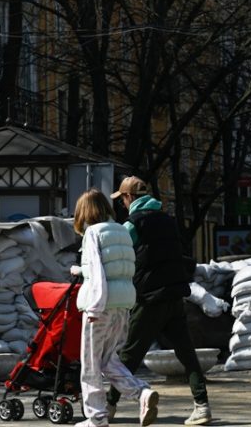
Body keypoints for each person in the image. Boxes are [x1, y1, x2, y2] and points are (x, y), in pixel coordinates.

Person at [107, 176, 212, 426]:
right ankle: (202, 406)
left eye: (122, 199)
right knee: (187, 353)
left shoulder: (132, 224)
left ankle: (108, 406)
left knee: (129, 354)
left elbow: (119, 256)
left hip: (150, 298)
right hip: (175, 295)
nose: (122, 204)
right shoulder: (168, 220)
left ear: (129, 197)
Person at [71, 188, 159, 427]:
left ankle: (96, 417)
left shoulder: (92, 233)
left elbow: (97, 271)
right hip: (123, 305)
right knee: (108, 359)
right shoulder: (121, 230)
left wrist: (94, 306)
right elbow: (120, 269)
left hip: (100, 305)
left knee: (90, 364)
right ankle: (141, 393)